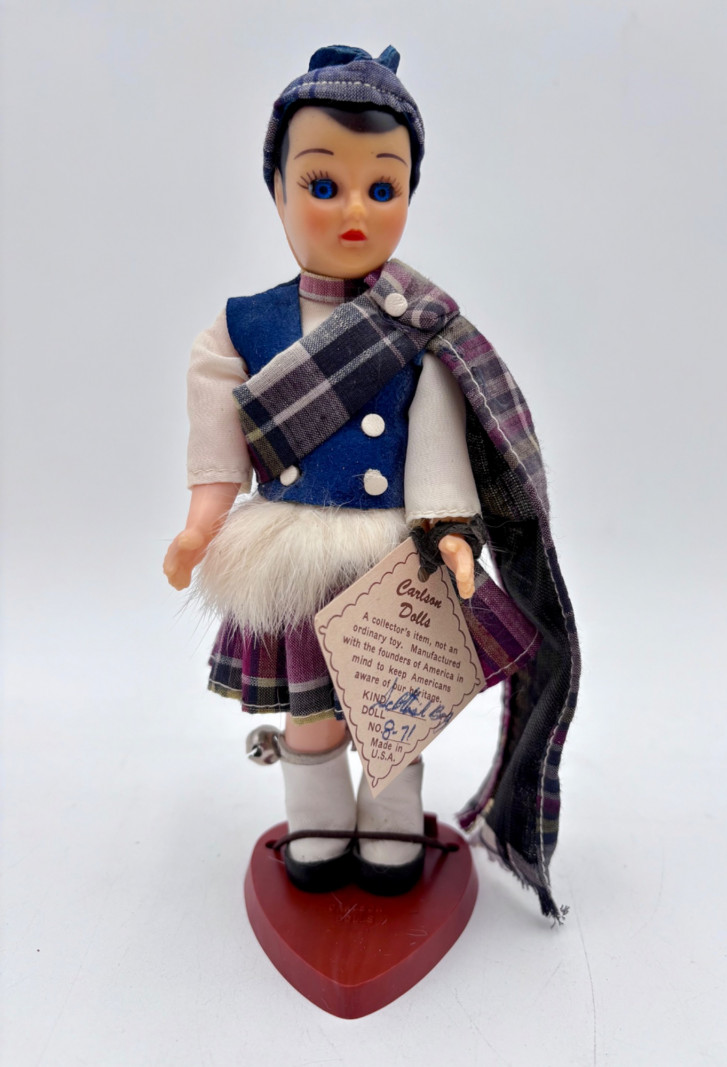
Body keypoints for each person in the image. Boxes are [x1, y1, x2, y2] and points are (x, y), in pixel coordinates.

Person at [164, 45, 580, 916]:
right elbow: (219, 445)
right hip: (291, 554)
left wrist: (451, 531)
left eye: (382, 187)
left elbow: (436, 449)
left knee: (396, 704)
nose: (354, 208)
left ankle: (392, 823)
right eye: (323, 184)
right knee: (315, 712)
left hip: (392, 555)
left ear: (408, 197)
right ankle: (316, 822)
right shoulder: (242, 328)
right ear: (277, 188)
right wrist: (202, 524)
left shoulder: (421, 333)